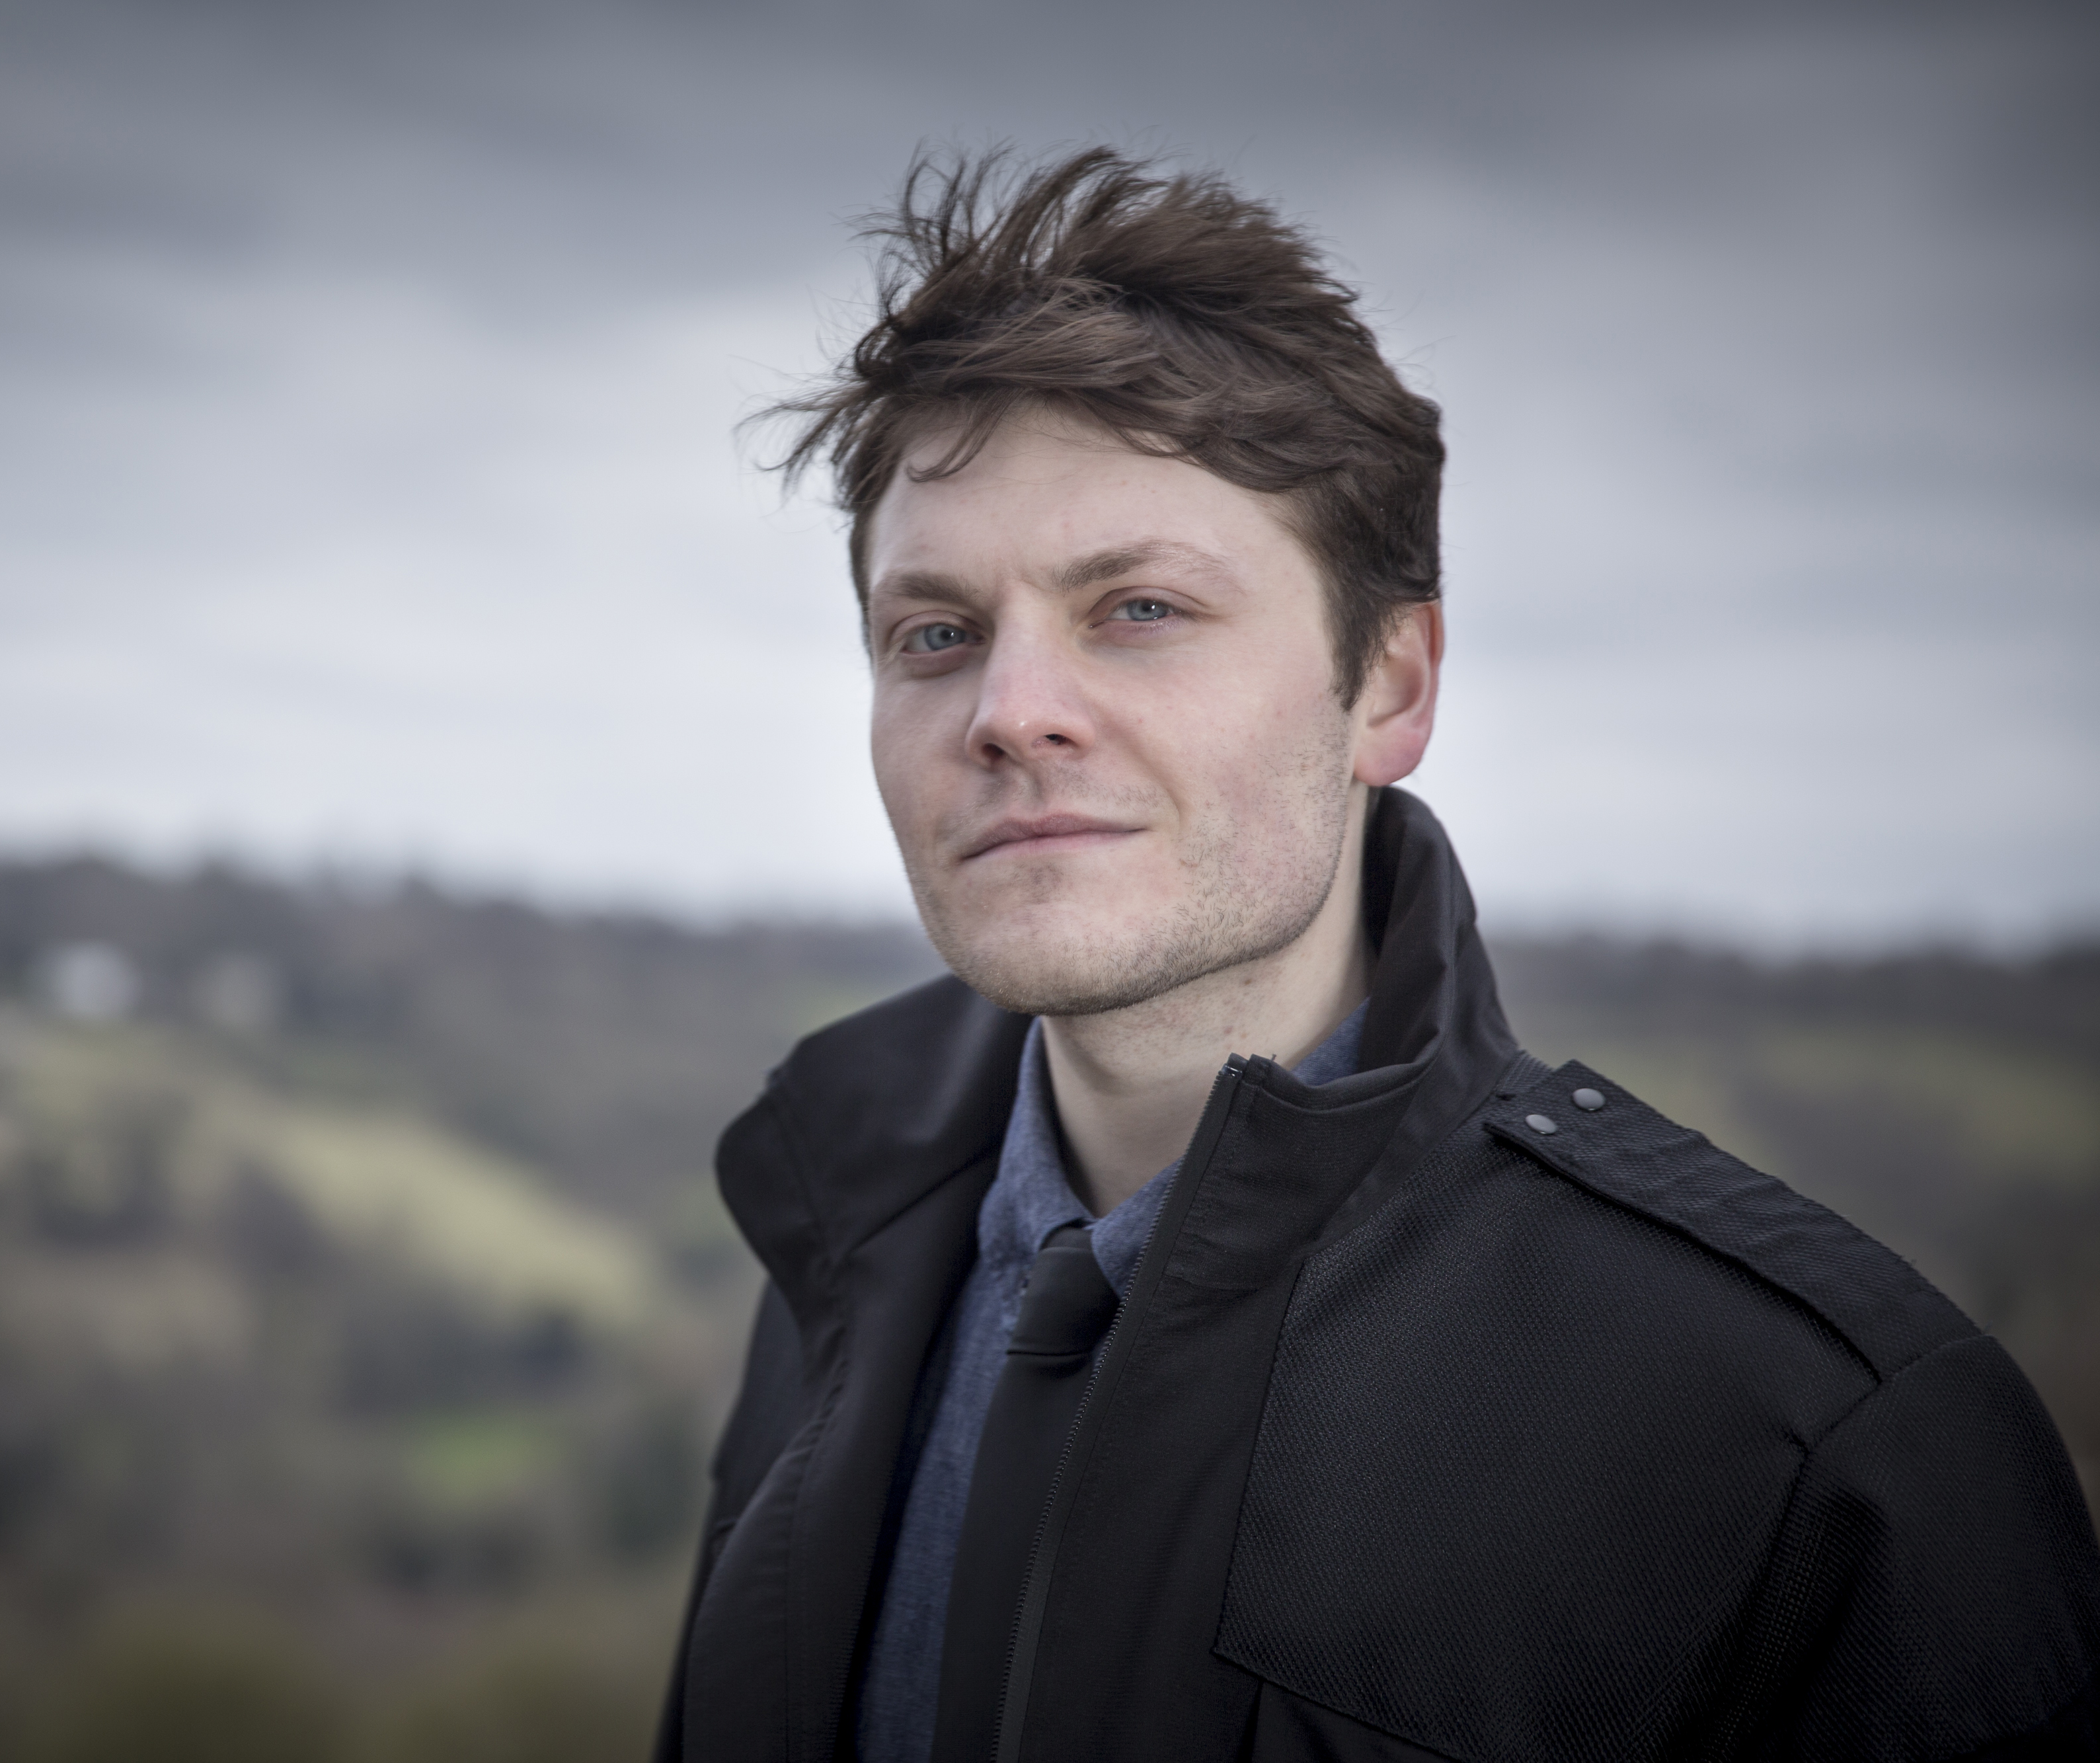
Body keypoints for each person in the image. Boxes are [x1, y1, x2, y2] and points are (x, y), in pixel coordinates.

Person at [652, 149, 2100, 1762]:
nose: (1008, 711)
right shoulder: (836, 1255)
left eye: (1135, 607)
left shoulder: (1808, 1437)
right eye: (933, 633)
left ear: (1389, 687)